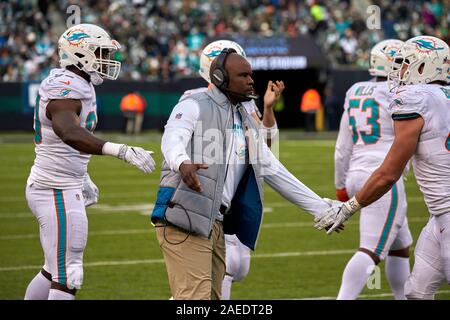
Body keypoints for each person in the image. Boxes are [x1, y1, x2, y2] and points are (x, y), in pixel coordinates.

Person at [151, 48, 339, 300]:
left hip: (214, 221)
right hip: (184, 213)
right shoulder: (194, 103)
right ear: (220, 77)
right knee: (195, 300)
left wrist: (319, 208)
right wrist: (182, 162)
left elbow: (271, 167)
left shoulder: (242, 115)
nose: (251, 80)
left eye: (250, 74)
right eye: (243, 75)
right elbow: (173, 137)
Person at [24, 24, 156, 300]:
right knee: (68, 276)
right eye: (100, 51)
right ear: (80, 54)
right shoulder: (66, 86)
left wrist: (82, 175)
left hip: (57, 183)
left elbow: (61, 140)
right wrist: (119, 150)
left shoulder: (75, 82)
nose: (106, 59)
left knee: (52, 270)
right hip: (56, 189)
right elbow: (68, 132)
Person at [315, 36, 450, 299]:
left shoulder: (417, 97)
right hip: (439, 215)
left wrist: (349, 206)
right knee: (415, 292)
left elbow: (388, 172)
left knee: (375, 250)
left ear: (426, 66)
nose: (398, 72)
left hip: (443, 208)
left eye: (404, 64)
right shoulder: (437, 97)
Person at [184, 39, 284, 299]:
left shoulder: (246, 103)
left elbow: (267, 147)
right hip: (206, 192)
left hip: (237, 193)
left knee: (237, 267)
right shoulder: (195, 100)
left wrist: (268, 108)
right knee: (222, 268)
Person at [334, 39, 413, 300]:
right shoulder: (399, 92)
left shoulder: (356, 89)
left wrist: (341, 184)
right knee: (371, 250)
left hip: (357, 172)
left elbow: (342, 146)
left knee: (400, 246)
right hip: (382, 176)